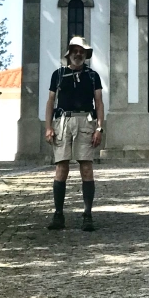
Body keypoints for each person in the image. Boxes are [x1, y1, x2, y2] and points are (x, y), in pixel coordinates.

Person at [44, 35, 105, 231]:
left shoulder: (93, 76)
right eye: (75, 50)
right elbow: (50, 102)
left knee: (86, 168)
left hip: (86, 121)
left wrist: (99, 127)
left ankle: (87, 215)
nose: (78, 54)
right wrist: (48, 127)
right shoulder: (58, 74)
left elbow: (99, 102)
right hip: (63, 121)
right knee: (61, 168)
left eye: (82, 51)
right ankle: (58, 214)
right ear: (69, 53)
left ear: (86, 55)